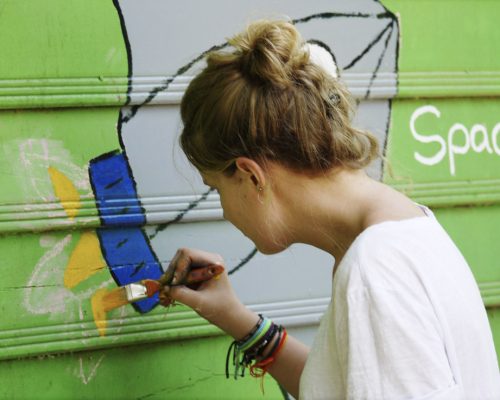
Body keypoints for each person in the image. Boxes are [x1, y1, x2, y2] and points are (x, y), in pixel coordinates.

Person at [159, 19, 500, 399]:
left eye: (216, 189)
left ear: (250, 175)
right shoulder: (402, 229)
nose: (224, 211)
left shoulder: (376, 274)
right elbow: (349, 385)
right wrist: (237, 319)